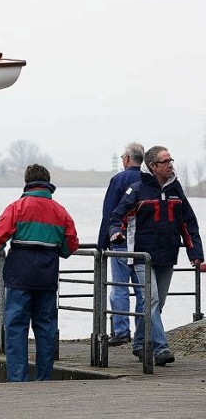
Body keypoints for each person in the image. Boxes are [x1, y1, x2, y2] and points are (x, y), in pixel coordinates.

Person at [0, 164, 79, 382]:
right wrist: (58, 251)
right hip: (47, 277)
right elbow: (71, 244)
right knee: (45, 328)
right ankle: (44, 378)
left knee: (16, 327)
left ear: (27, 182)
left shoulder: (17, 207)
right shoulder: (60, 211)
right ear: (47, 183)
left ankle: (18, 379)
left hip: (19, 277)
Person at [109, 146, 203, 366]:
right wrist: (116, 233)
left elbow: (188, 222)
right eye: (166, 161)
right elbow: (117, 217)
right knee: (150, 301)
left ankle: (140, 344)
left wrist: (195, 252)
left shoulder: (176, 189)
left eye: (171, 160)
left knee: (156, 305)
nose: (171, 164)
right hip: (143, 256)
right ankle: (160, 347)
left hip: (167, 256)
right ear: (153, 166)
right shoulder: (137, 189)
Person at [96, 142, 145, 346]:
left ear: (126, 159)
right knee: (144, 291)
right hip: (144, 244)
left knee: (119, 288)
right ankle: (143, 333)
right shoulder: (148, 180)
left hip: (121, 241)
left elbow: (109, 213)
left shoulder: (119, 179)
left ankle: (121, 331)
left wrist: (102, 243)